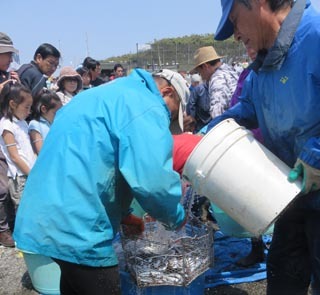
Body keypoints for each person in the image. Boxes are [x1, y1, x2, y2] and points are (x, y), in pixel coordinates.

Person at [13, 68, 188, 295]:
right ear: (167, 92)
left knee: (73, 282)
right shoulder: (146, 104)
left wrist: (125, 216)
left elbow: (91, 161)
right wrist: (176, 217)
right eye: (172, 115)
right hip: (78, 227)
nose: (168, 120)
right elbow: (154, 183)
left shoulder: (99, 95)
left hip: (41, 216)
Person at [211, 0, 320, 293]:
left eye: (235, 20)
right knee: (284, 280)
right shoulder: (262, 63)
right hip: (290, 195)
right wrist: (206, 135)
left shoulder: (316, 36)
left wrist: (316, 154)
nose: (235, 34)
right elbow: (247, 109)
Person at [0, 82, 36, 224]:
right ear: (13, 104)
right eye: (26, 107)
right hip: (19, 175)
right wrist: (30, 172)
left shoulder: (23, 122)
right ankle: (22, 236)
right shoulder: (6, 124)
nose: (29, 111)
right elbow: (14, 156)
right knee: (22, 207)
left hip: (28, 171)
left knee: (31, 205)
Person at [0, 32, 20, 247]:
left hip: (6, 134)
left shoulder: (6, 75)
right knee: (2, 187)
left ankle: (11, 225)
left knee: (11, 182)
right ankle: (3, 230)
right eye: (7, 55)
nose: (10, 60)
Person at [190, 46, 239, 120]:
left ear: (205, 66)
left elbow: (217, 115)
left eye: (200, 72)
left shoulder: (217, 80)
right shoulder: (232, 71)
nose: (201, 77)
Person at [28, 89, 62, 154]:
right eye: (55, 113)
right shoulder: (35, 124)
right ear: (43, 109)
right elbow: (40, 151)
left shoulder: (54, 123)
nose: (58, 116)